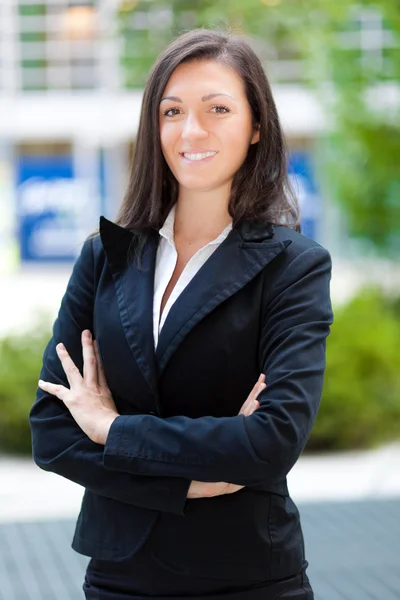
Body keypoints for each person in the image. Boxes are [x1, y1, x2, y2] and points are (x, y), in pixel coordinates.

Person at [29, 28, 333, 600]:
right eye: (172, 111)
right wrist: (196, 482)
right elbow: (53, 433)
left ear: (256, 125)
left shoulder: (295, 266)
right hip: (119, 575)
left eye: (218, 108)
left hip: (244, 576)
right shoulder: (106, 257)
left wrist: (112, 428)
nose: (192, 130)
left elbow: (272, 441)